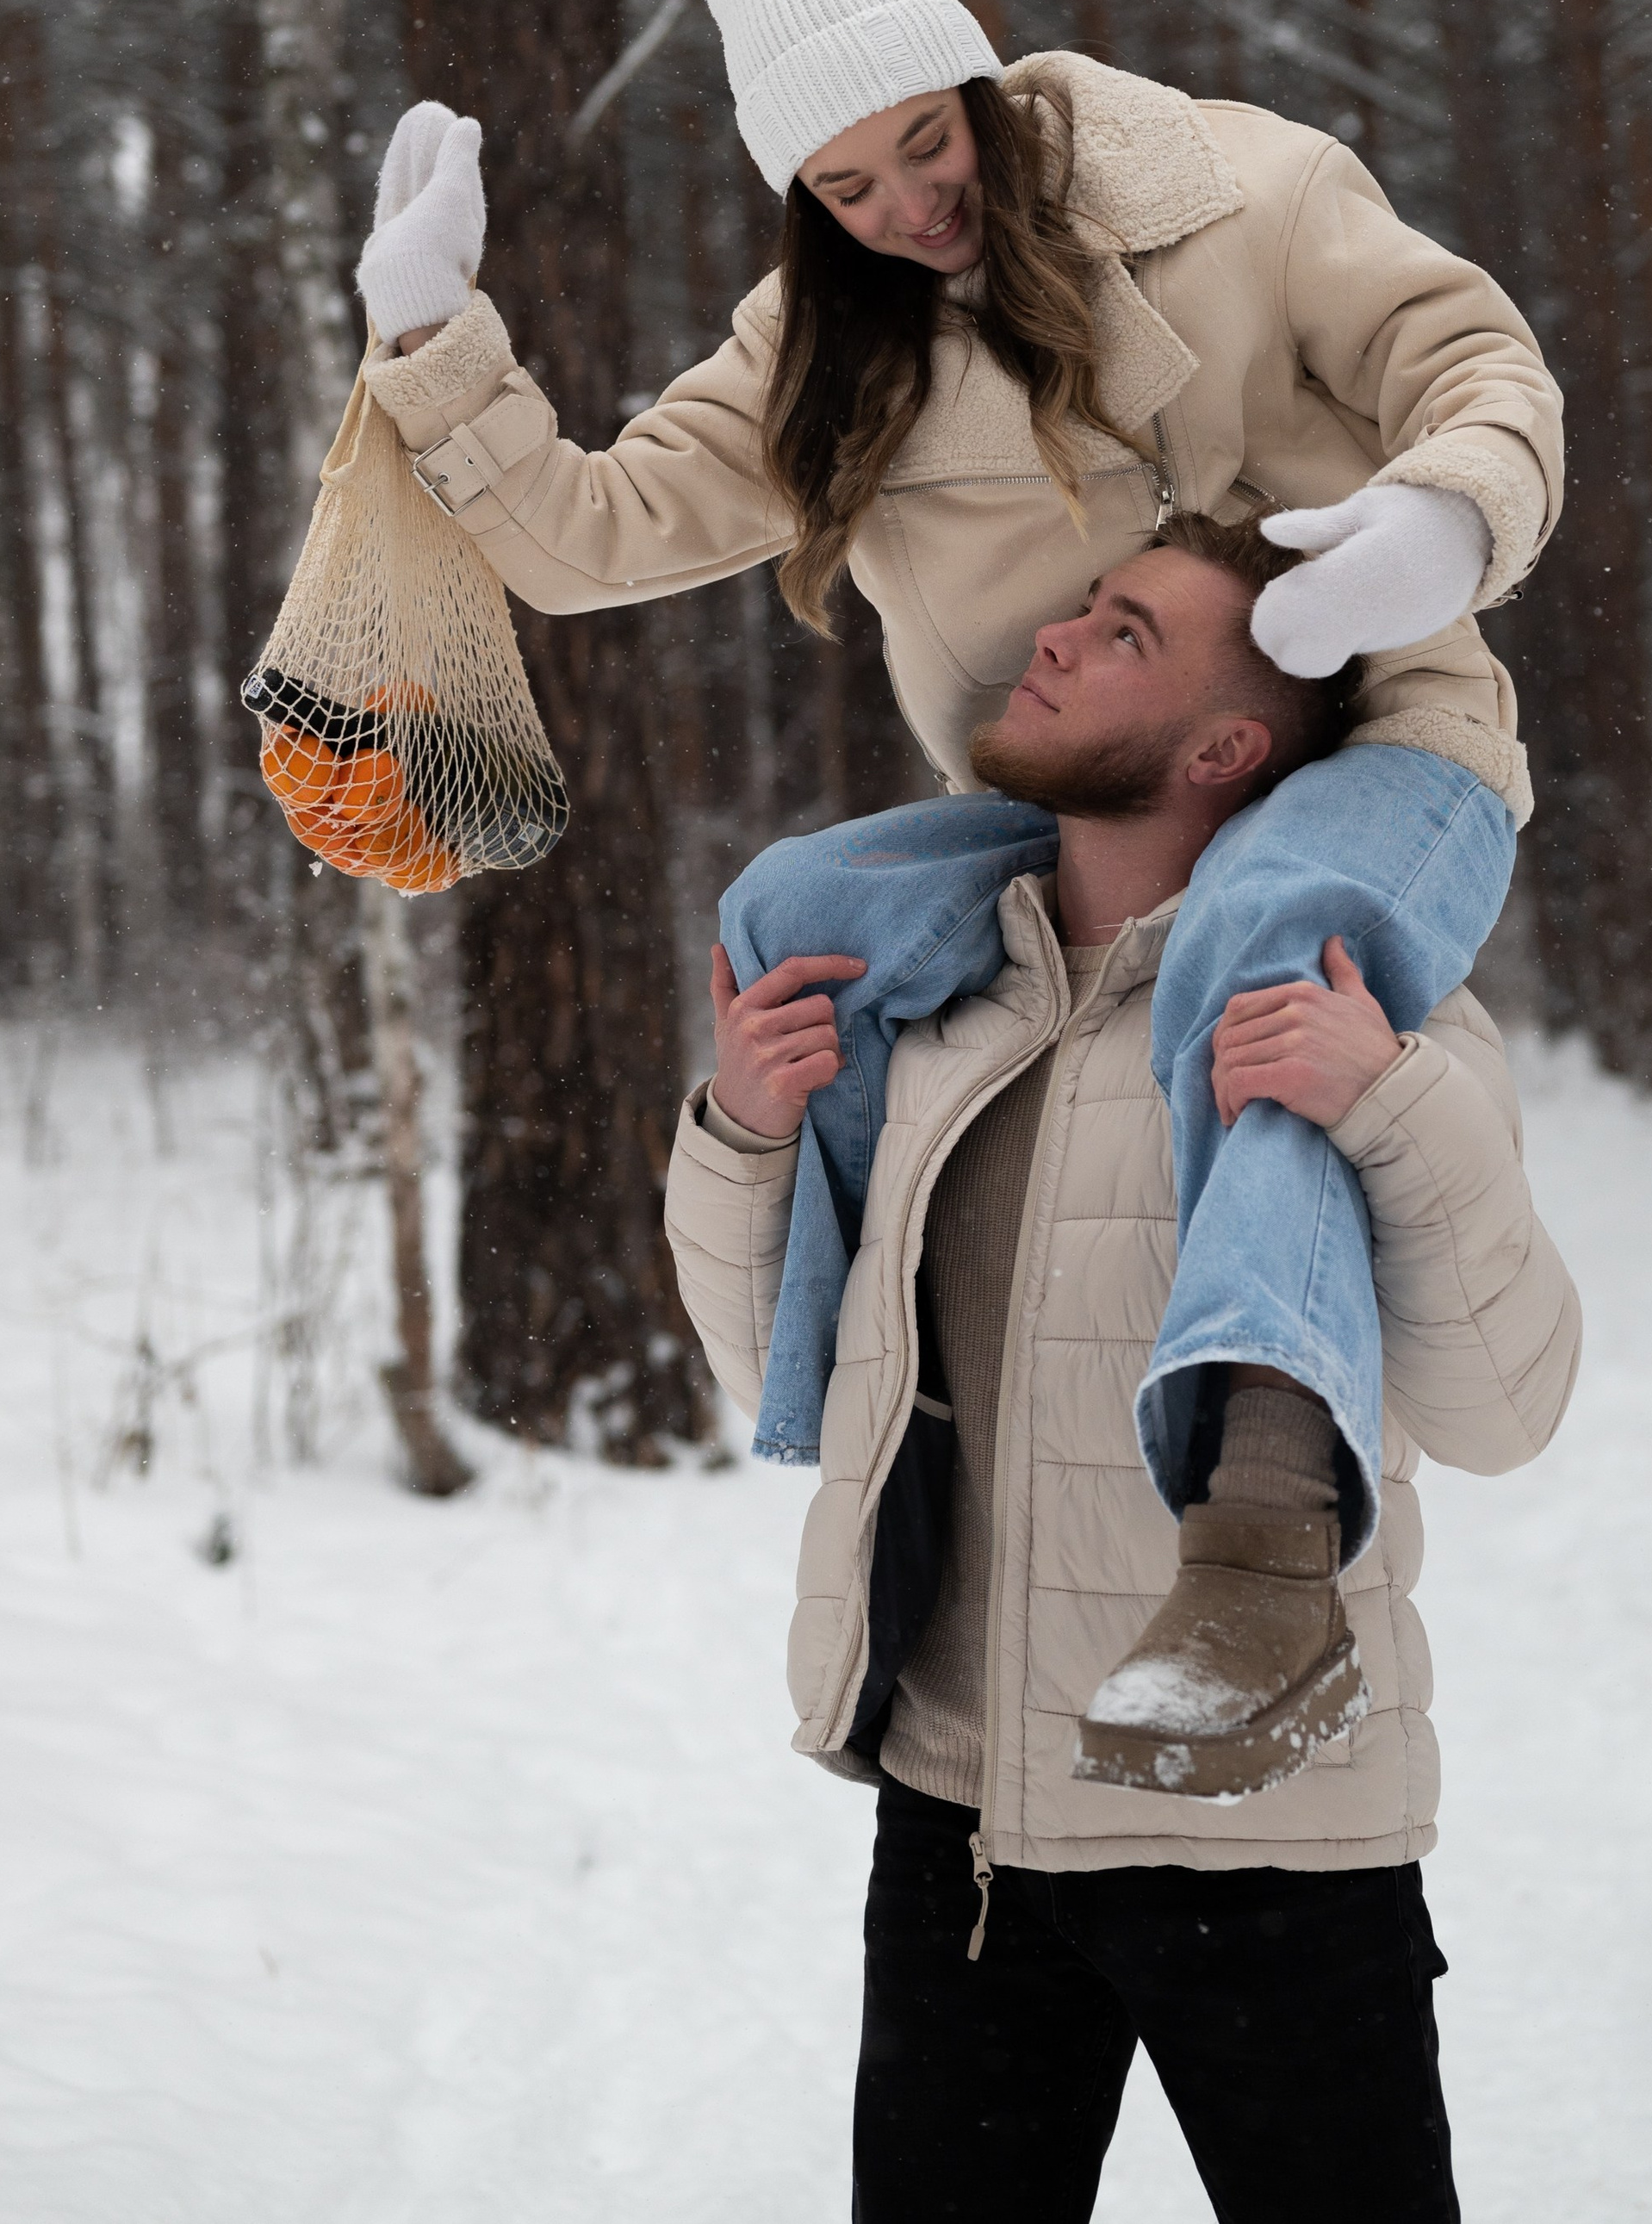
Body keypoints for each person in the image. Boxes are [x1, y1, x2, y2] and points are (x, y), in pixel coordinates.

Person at [351, 0, 1562, 1651]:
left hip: (1377, 735)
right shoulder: (821, 342)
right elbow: (584, 534)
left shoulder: (1238, 193)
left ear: (974, 79)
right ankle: (873, 1405)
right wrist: (431, 339)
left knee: (1265, 938)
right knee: (793, 915)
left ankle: (1263, 1507)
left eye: (926, 143)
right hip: (1083, 799)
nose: (907, 208)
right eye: (845, 187)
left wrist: (1446, 517)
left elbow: (1474, 361)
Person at [665, 514, 1580, 2221]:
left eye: (1127, 633)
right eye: (1083, 608)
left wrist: (1384, 1099)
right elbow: (789, 1381)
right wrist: (744, 1128)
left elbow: (1501, 1411)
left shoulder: (1365, 1012)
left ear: (1224, 748)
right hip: (962, 1834)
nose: (1059, 636)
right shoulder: (939, 1022)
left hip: (1270, 1839)